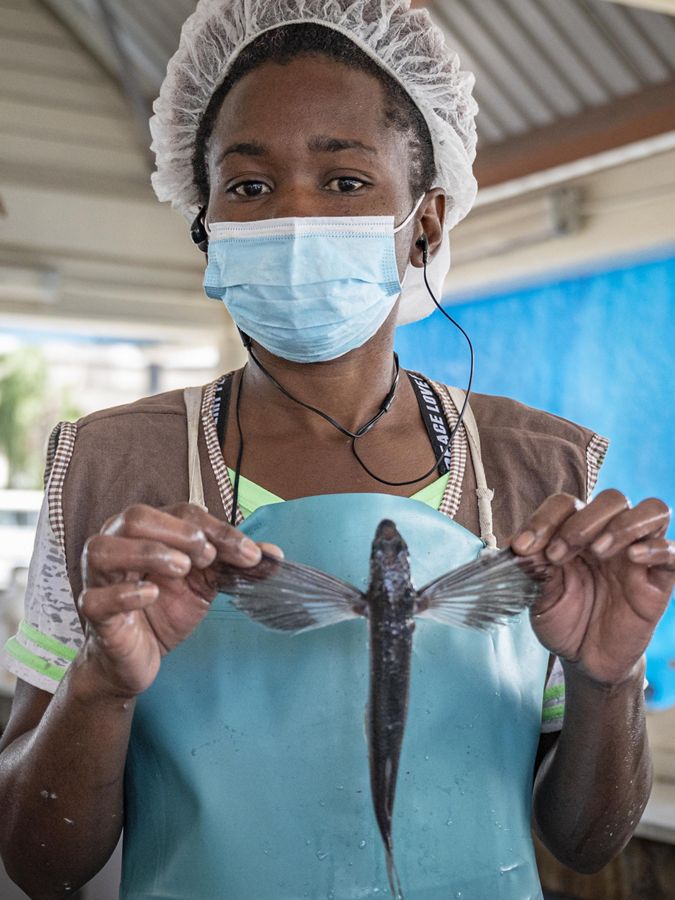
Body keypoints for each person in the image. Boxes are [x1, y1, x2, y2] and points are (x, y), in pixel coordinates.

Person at [0, 2, 673, 898]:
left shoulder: (536, 471)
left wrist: (607, 678)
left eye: (345, 181)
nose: (293, 215)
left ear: (426, 223)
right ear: (205, 227)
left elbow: (584, 842)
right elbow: (38, 863)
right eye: (248, 187)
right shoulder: (109, 467)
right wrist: (99, 684)